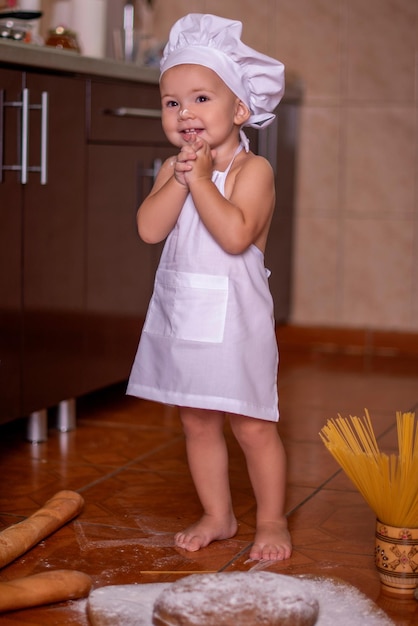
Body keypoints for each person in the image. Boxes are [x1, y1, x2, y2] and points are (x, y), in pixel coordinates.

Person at [127, 13, 291, 562]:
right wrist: (180, 178)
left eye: (200, 99)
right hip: (187, 317)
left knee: (252, 424)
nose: (185, 113)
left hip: (237, 321)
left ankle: (271, 519)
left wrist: (199, 180)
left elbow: (236, 234)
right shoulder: (172, 169)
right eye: (172, 103)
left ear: (239, 110)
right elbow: (150, 230)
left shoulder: (254, 172)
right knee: (196, 421)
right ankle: (218, 514)